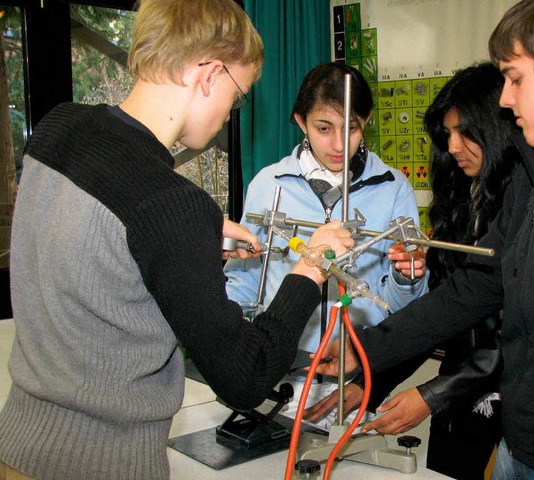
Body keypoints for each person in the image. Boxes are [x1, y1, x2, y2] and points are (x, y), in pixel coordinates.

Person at [0, 1, 355, 479]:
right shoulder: (171, 205)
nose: (231, 113)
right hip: (106, 464)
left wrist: (202, 230)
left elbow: (97, 248)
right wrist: (309, 269)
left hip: (18, 445)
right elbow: (245, 379)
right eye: (238, 96)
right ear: (209, 74)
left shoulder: (58, 128)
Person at [315, 1, 534, 479]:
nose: (505, 99)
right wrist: (364, 350)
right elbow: (472, 290)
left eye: (515, 78)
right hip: (521, 446)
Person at [305, 62, 518, 480]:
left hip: (510, 405)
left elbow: (515, 334)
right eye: (447, 134)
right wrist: (371, 381)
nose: (454, 146)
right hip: (458, 405)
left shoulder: (523, 205)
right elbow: (437, 314)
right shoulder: (464, 202)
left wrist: (431, 395)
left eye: (466, 133)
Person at [223, 62, 428, 428]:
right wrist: (235, 352)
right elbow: (243, 281)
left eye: (350, 129)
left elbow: (401, 308)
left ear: (366, 122)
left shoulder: (394, 187)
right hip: (278, 376)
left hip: (353, 379)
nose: (337, 144)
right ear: (301, 122)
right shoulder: (269, 185)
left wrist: (408, 276)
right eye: (323, 128)